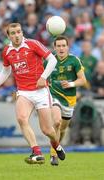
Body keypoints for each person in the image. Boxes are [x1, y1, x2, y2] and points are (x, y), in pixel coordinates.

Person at [0, 23, 65, 164]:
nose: (16, 35)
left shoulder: (33, 44)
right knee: (21, 119)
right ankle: (37, 152)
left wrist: (43, 77)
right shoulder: (7, 51)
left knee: (47, 130)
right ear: (8, 36)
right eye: (13, 33)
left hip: (41, 91)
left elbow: (52, 60)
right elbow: (6, 70)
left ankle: (56, 145)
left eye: (18, 32)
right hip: (24, 91)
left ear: (22, 32)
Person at [49, 36, 86, 166]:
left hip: (69, 100)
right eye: (58, 46)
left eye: (63, 45)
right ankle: (53, 155)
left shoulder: (74, 60)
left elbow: (83, 80)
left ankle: (57, 146)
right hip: (54, 95)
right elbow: (42, 78)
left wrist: (70, 84)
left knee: (63, 128)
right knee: (56, 122)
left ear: (67, 47)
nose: (61, 48)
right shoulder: (49, 61)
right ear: (54, 48)